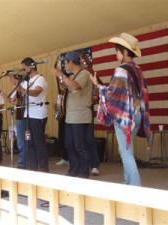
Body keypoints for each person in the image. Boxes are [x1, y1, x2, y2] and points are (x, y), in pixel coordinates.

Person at [89, 33, 152, 186]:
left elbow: (113, 94)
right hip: (137, 114)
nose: (115, 54)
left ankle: (134, 187)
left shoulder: (121, 70)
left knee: (126, 153)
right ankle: (127, 182)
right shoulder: (138, 69)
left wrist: (97, 86)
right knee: (127, 149)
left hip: (125, 116)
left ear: (124, 52)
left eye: (117, 51)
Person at [51, 51, 94, 178]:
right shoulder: (73, 76)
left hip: (80, 116)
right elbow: (68, 89)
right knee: (70, 145)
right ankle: (73, 171)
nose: (64, 65)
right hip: (70, 116)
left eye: (65, 63)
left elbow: (76, 86)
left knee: (80, 146)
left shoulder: (85, 73)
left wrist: (60, 74)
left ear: (71, 62)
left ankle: (83, 173)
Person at [17, 57, 49, 172]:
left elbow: (36, 92)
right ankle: (33, 168)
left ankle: (43, 169)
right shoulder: (27, 81)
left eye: (24, 69)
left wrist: (22, 88)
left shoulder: (40, 79)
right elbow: (22, 95)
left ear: (31, 67)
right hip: (27, 114)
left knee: (39, 143)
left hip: (38, 115)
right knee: (29, 142)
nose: (24, 71)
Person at [0, 73, 26, 169]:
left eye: (11, 79)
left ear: (17, 78)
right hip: (19, 114)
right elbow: (11, 100)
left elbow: (14, 100)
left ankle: (22, 163)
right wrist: (1, 93)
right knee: (20, 139)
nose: (10, 81)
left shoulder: (21, 86)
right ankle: (22, 162)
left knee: (21, 140)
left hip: (23, 115)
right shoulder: (17, 87)